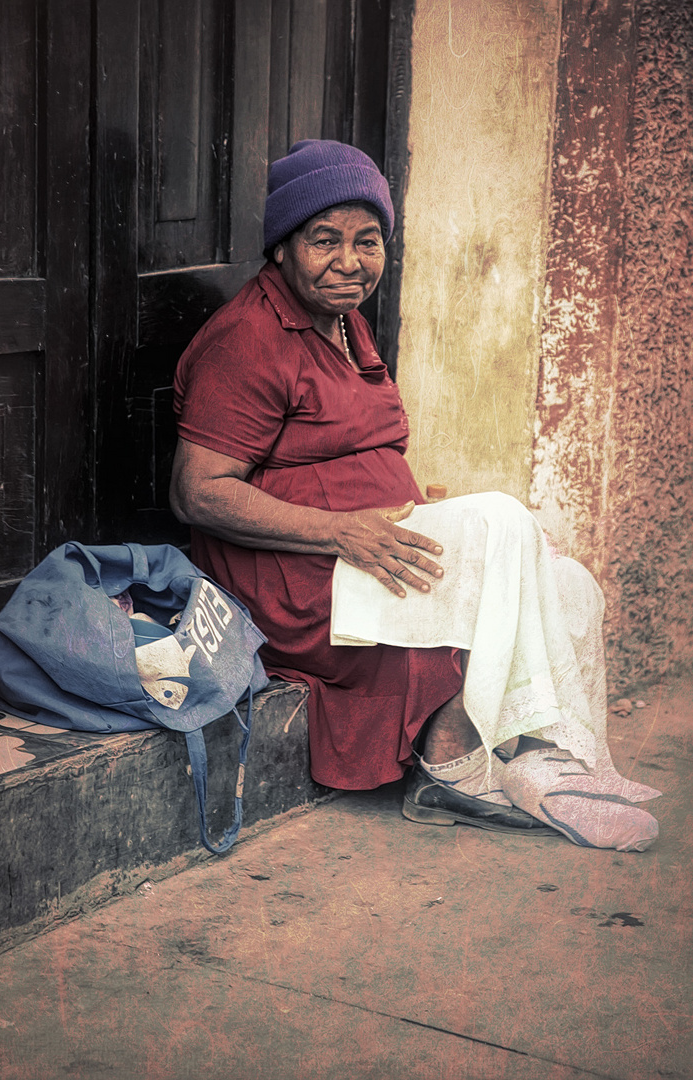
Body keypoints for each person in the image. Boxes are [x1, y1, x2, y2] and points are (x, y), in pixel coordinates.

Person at [171, 140, 660, 851]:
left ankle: (531, 757)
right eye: (324, 240)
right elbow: (198, 494)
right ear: (281, 247)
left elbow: (352, 451)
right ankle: (466, 768)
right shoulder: (249, 339)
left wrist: (419, 503)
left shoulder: (341, 319)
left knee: (567, 580)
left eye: (367, 241)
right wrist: (343, 530)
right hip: (294, 579)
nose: (350, 261)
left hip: (357, 554)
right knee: (499, 523)